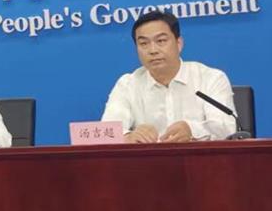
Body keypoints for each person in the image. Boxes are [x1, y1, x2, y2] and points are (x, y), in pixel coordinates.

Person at [101, 11, 237, 143]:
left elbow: (226, 127)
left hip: (199, 158)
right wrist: (128, 137)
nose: (153, 50)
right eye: (144, 43)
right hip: (148, 158)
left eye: (161, 41)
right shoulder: (127, 85)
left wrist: (192, 130)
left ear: (179, 43)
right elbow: (106, 132)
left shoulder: (210, 78)